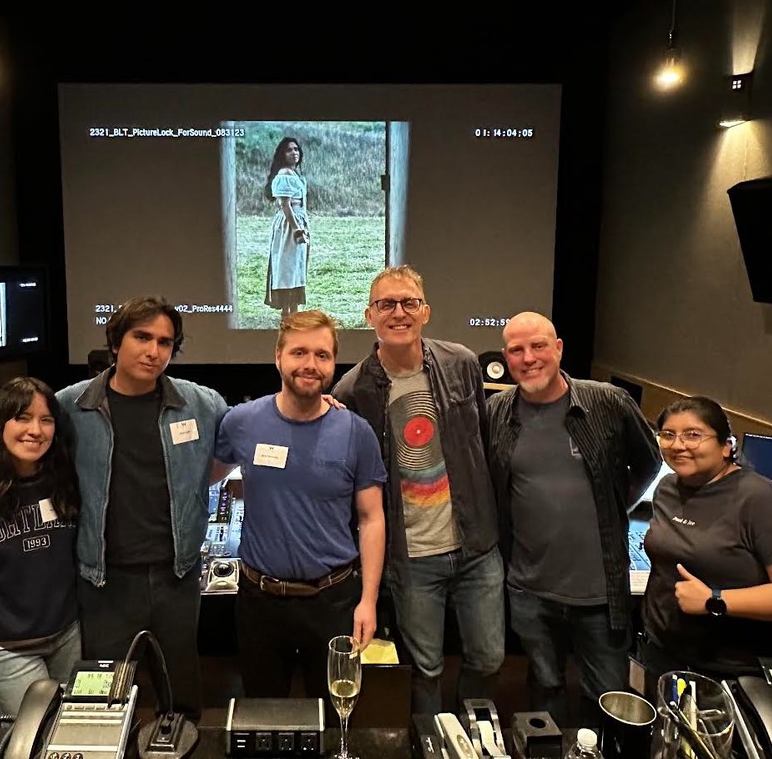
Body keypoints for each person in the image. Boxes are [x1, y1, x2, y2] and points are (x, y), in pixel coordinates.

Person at [332, 265, 506, 716]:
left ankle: (471, 736)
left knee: (488, 657)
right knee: (424, 668)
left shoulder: (461, 363)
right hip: (412, 559)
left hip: (476, 547)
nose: (398, 312)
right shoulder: (352, 390)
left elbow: (483, 441)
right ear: (370, 314)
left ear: (425, 311)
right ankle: (430, 741)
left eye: (409, 302)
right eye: (386, 304)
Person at [482, 311, 661, 727]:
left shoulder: (608, 402)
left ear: (559, 348)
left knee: (608, 699)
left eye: (539, 346)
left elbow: (649, 463)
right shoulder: (496, 410)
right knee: (544, 690)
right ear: (506, 358)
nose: (528, 358)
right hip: (529, 591)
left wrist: (614, 507)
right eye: (516, 350)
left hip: (599, 595)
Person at [56, 296, 228, 719]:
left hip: (177, 576)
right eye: (142, 337)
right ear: (116, 342)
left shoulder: (201, 405)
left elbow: (247, 436)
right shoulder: (69, 407)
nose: (154, 351)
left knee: (182, 698)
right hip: (104, 581)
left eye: (165, 343)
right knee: (103, 701)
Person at [214, 309, 385, 703]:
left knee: (332, 716)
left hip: (333, 602)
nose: (310, 365)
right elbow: (205, 476)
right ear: (278, 357)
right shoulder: (241, 422)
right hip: (259, 603)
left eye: (322, 355)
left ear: (333, 363)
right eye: (299, 353)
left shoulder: (355, 432)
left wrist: (369, 601)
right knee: (262, 715)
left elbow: (372, 519)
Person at [639, 396, 772, 680]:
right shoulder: (667, 488)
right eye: (668, 434)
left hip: (732, 670)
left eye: (693, 435)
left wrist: (715, 600)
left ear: (727, 446)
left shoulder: (763, 502)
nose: (678, 445)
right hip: (663, 651)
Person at [0, 376, 82, 717]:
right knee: (32, 742)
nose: (35, 430)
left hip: (67, 636)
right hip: (8, 647)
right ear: (0, 424)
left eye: (45, 419)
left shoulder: (66, 478)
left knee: (68, 733)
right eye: (22, 417)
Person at [264, 136, 310, 317]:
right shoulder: (284, 175)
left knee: (296, 265)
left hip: (298, 219)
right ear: (282, 155)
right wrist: (296, 228)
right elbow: (285, 205)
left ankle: (293, 310)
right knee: (287, 265)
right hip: (289, 225)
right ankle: (287, 311)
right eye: (289, 150)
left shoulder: (294, 175)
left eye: (296, 149)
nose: (294, 153)